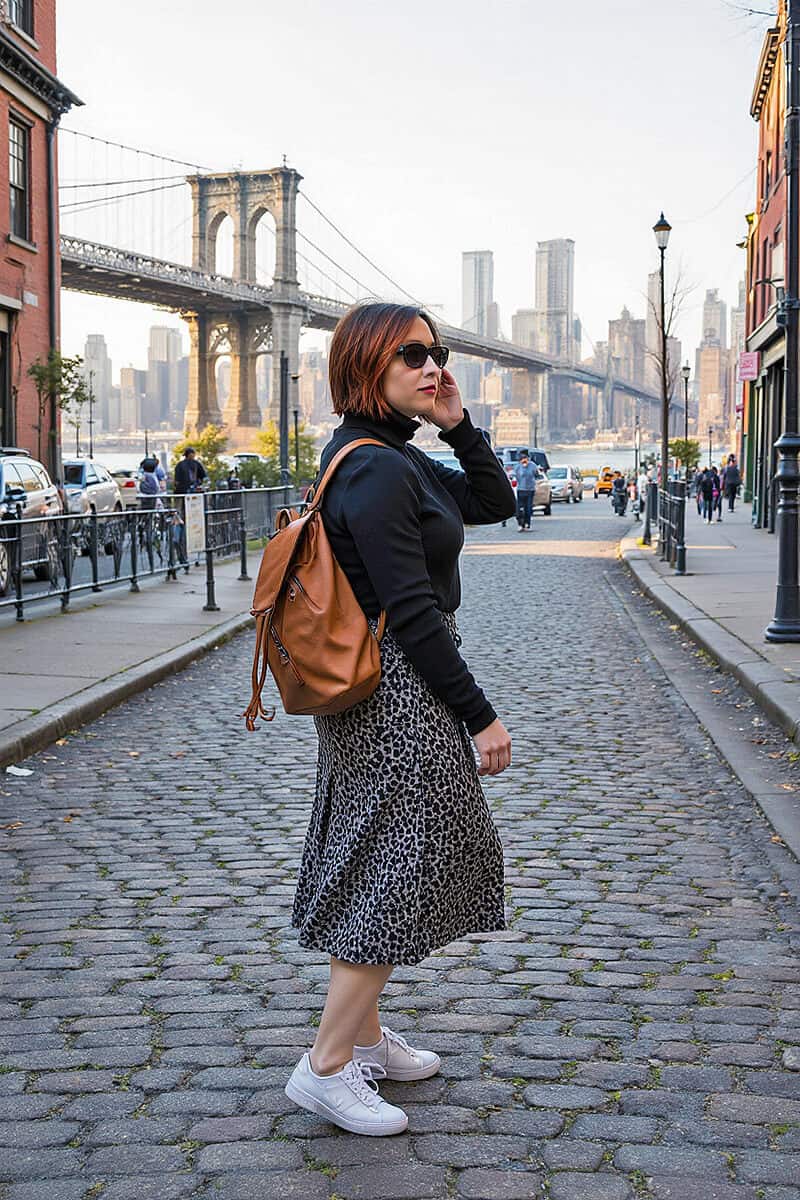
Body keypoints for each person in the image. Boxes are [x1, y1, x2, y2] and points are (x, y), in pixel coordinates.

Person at [283, 302, 515, 1137]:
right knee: (398, 866)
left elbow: (491, 502)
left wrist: (457, 425)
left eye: (438, 351)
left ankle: (367, 1039)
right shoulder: (375, 469)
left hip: (388, 689)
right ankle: (328, 1066)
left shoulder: (393, 455)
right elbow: (412, 610)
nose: (432, 364)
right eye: (412, 353)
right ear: (367, 362)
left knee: (382, 852)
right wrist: (479, 717)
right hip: (398, 693)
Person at [514, 450, 536, 530]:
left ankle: (527, 523)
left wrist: (527, 466)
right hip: (521, 489)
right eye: (522, 458)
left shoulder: (533, 465)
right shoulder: (517, 467)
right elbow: (518, 476)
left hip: (530, 490)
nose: (524, 459)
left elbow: (535, 474)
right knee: (519, 508)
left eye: (525, 458)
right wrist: (523, 467)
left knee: (528, 508)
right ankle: (520, 524)